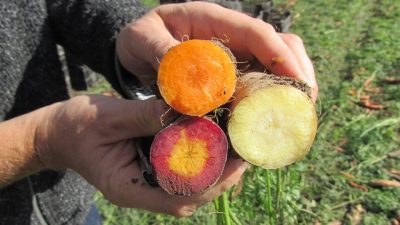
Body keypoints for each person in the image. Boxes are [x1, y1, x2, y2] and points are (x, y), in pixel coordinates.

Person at [0, 0, 318, 224]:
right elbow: (41, 141)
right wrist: (38, 144)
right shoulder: (48, 143)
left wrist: (123, 36)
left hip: (69, 206)